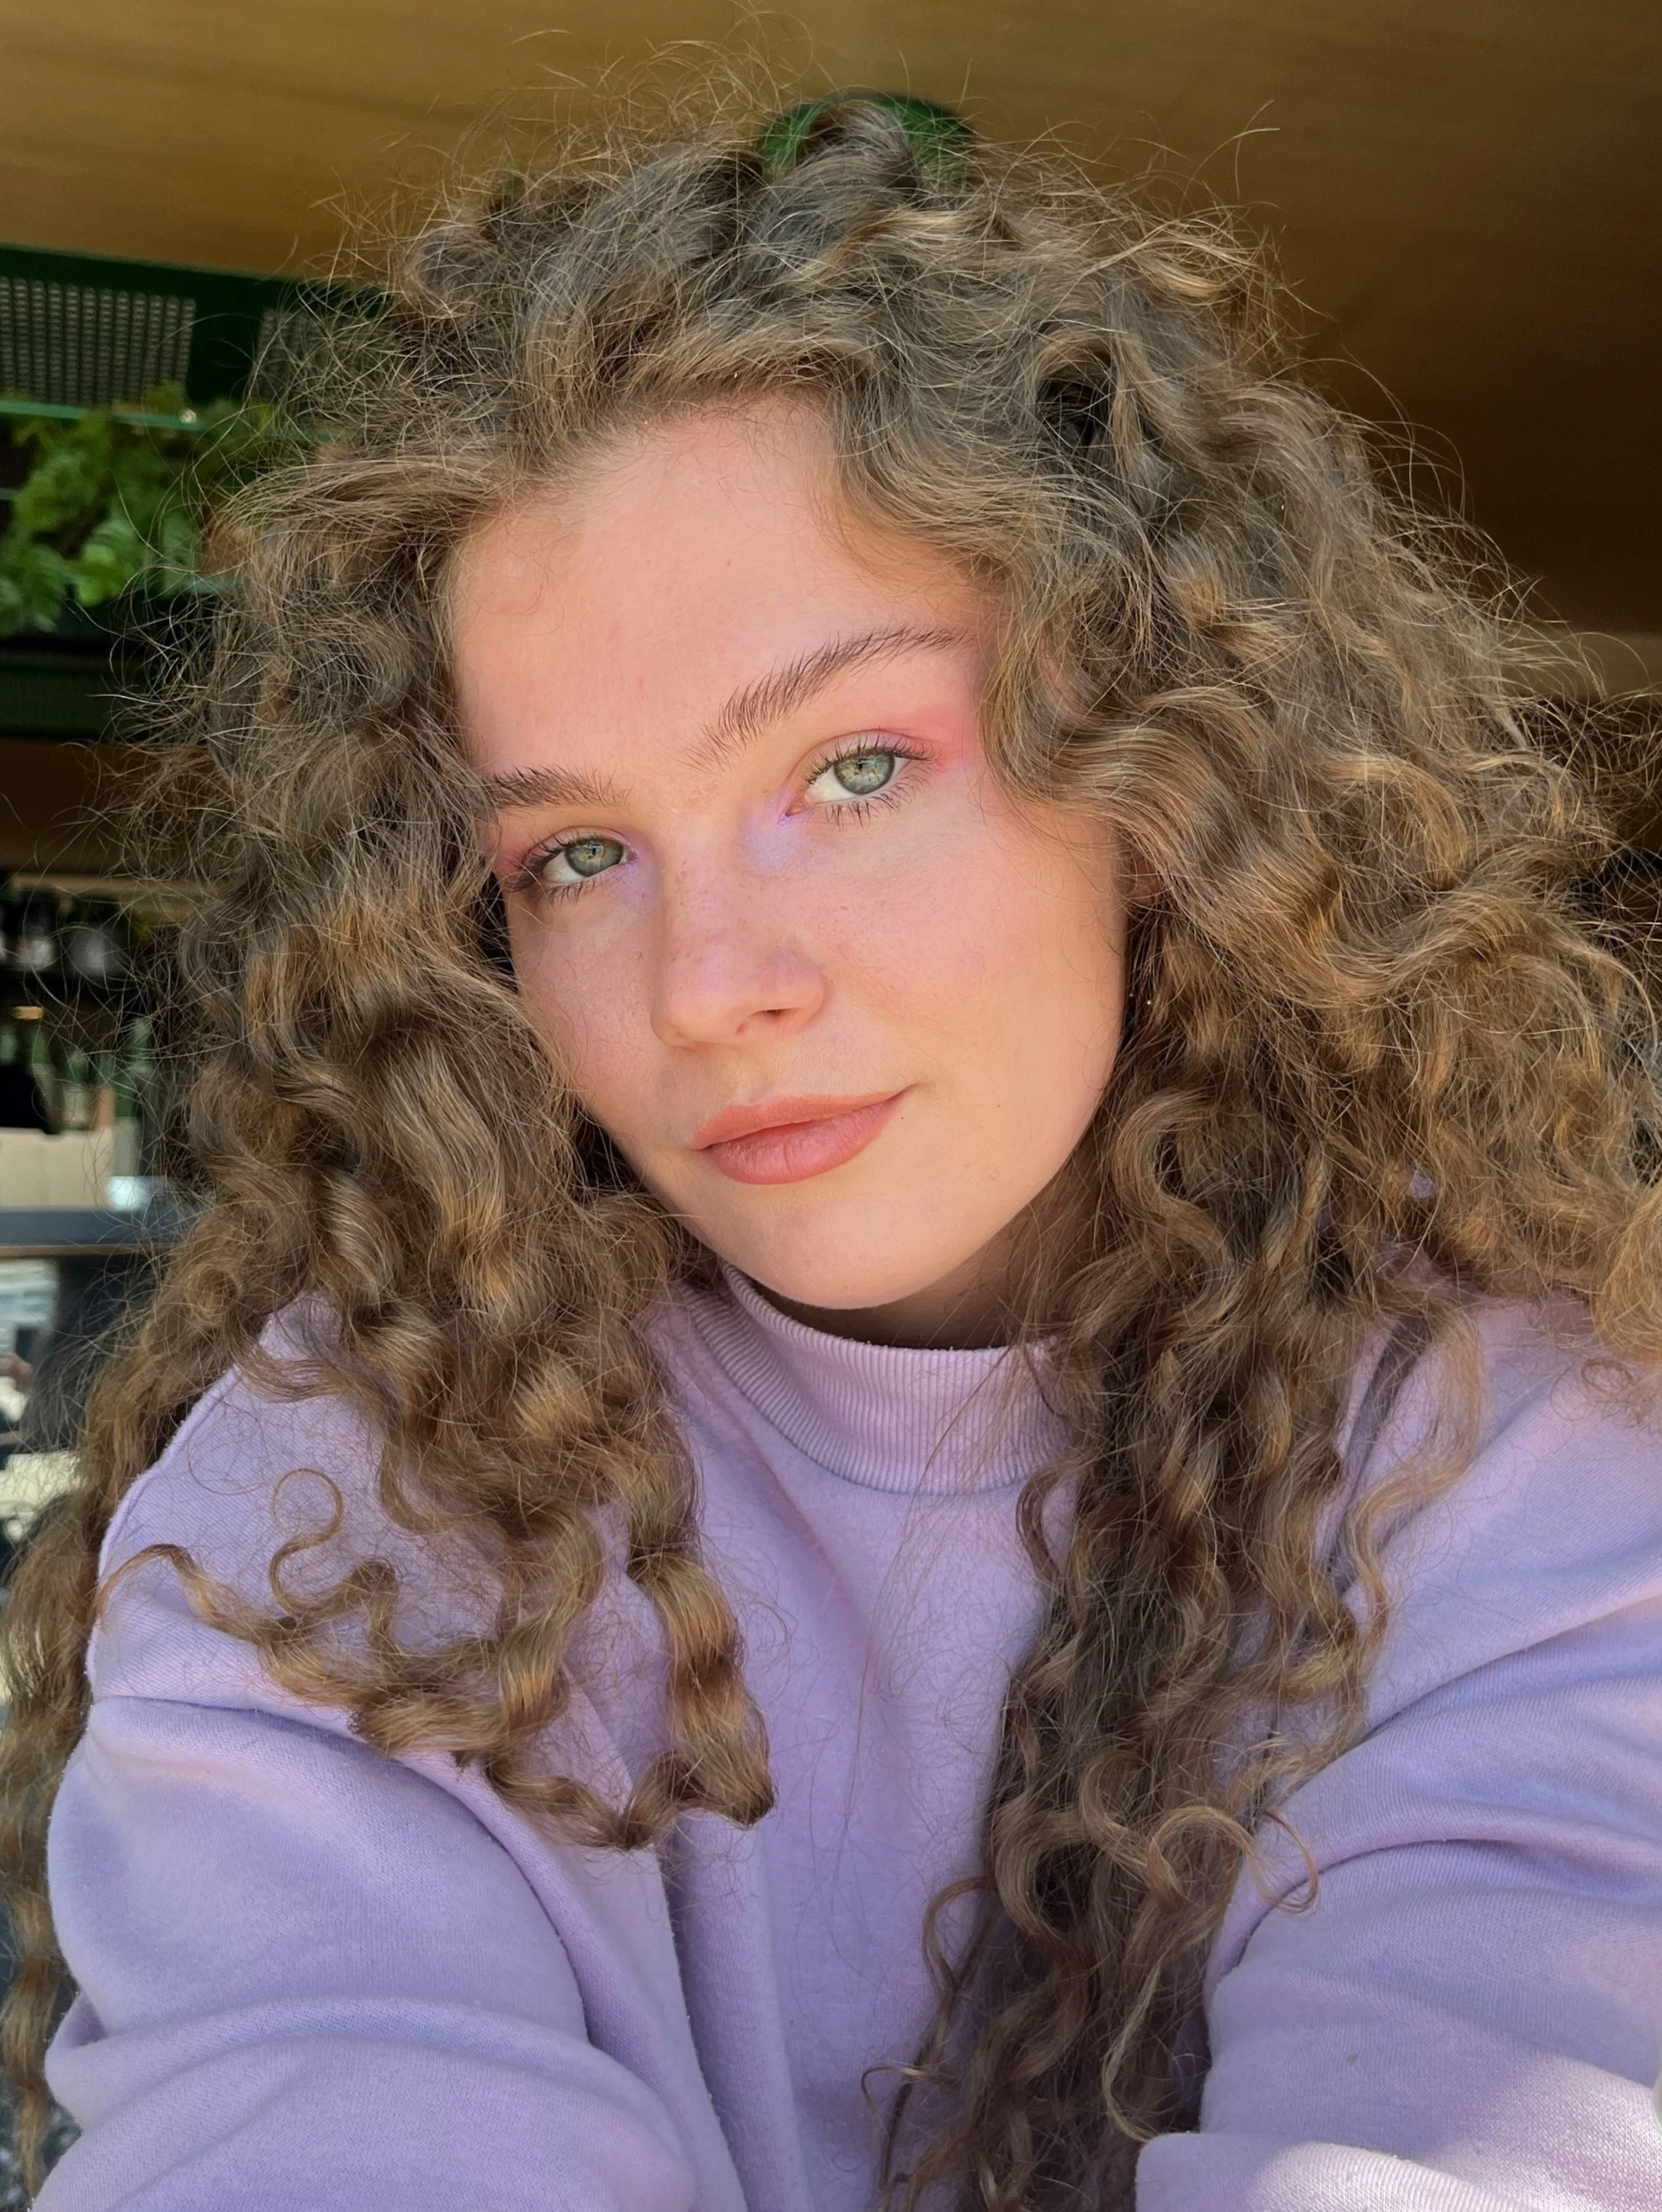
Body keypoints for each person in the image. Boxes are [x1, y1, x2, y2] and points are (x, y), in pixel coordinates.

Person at [1, 89, 1659, 2212]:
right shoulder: (357, 1502)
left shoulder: (1518, 1460)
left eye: (856, 765)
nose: (708, 985)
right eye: (578, 851)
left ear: (1158, 771)